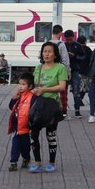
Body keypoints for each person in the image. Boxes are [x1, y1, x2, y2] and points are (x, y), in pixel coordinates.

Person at [30, 42, 68, 173]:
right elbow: (33, 85)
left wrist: (44, 89)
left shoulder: (60, 67)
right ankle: (37, 162)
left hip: (52, 106)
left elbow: (62, 86)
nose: (46, 54)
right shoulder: (38, 68)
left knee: (50, 135)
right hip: (38, 105)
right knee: (33, 134)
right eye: (44, 51)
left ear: (55, 54)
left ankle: (52, 162)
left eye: (49, 51)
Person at [7, 72, 35, 171]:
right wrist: (13, 99)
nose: (20, 86)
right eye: (19, 84)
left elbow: (34, 111)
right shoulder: (18, 96)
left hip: (26, 127)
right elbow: (12, 107)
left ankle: (26, 158)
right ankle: (13, 162)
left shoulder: (32, 97)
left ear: (30, 86)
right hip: (16, 126)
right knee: (15, 144)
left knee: (25, 146)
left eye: (23, 84)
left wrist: (32, 125)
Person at [50, 25, 71, 116]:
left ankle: (50, 109)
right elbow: (66, 60)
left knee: (50, 90)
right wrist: (68, 72)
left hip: (50, 69)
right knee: (63, 92)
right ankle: (63, 112)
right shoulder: (61, 44)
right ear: (60, 33)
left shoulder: (47, 44)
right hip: (60, 70)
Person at [70, 34, 92, 118]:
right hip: (85, 71)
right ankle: (79, 101)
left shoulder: (75, 48)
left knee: (76, 88)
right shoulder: (88, 49)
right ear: (85, 41)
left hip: (76, 70)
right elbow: (90, 60)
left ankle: (79, 101)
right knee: (83, 87)